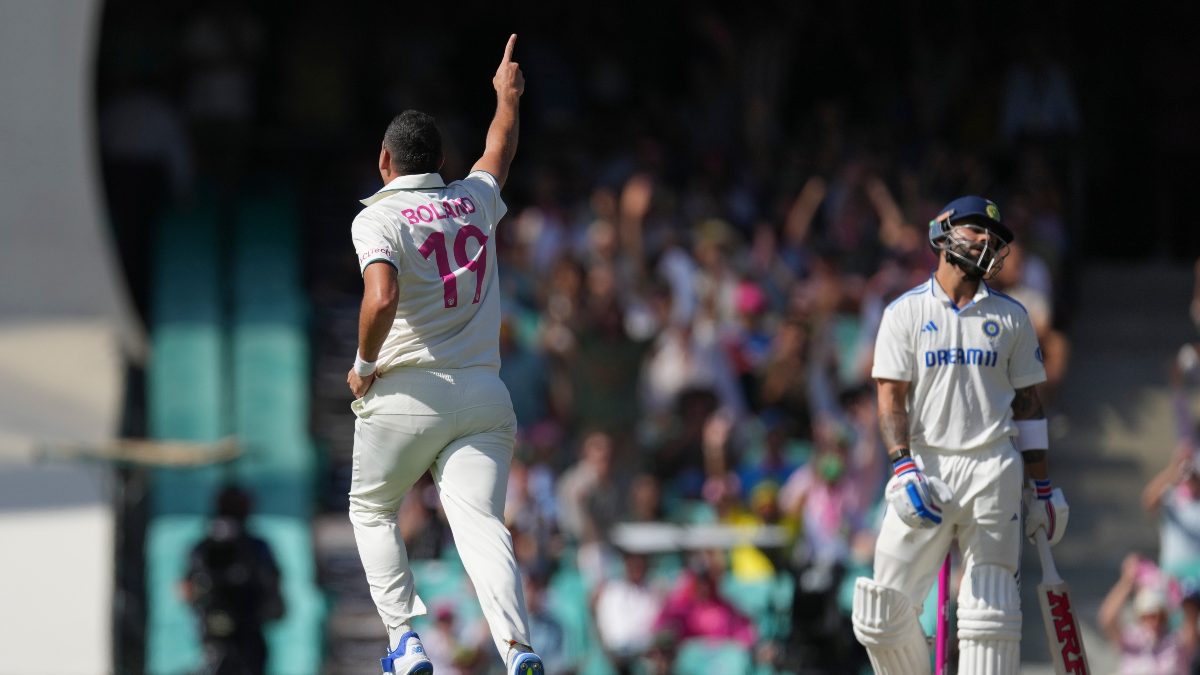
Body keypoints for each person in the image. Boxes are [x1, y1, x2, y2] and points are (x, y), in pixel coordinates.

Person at [344, 35, 543, 675]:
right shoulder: (473, 199)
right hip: (484, 396)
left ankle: (404, 641)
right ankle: (518, 648)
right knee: (482, 525)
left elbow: (381, 296)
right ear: (441, 161)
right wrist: (506, 96)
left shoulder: (377, 218)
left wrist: (364, 365)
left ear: (384, 161)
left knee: (372, 508)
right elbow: (499, 150)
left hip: (407, 392)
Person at [850, 196, 1070, 674]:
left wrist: (1043, 488)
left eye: (995, 236)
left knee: (990, 617)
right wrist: (902, 466)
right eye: (975, 229)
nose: (987, 240)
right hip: (926, 467)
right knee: (880, 614)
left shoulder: (1012, 316)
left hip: (993, 466)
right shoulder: (904, 312)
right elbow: (890, 398)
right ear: (942, 231)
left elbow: (1029, 408)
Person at [181, 484, 284, 675]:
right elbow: (188, 589)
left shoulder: (254, 549)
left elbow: (272, 592)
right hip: (221, 635)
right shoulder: (205, 550)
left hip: (246, 633)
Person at [1099, 553, 1193, 674]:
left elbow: (1191, 620)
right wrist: (1127, 580)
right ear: (1141, 617)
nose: (1155, 621)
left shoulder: (1177, 643)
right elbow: (1107, 619)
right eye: (1149, 616)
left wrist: (1178, 591)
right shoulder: (1131, 639)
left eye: (1160, 616)